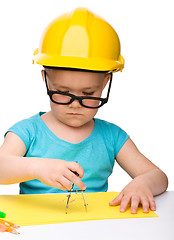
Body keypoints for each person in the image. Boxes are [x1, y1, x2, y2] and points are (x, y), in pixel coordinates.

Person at [0, 7, 168, 214]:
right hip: (36, 228)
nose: (75, 104)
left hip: (93, 228)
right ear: (45, 80)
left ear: (105, 83)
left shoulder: (112, 136)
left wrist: (143, 184)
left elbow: (158, 176)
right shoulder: (27, 131)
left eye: (88, 93)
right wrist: (36, 167)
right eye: (62, 92)